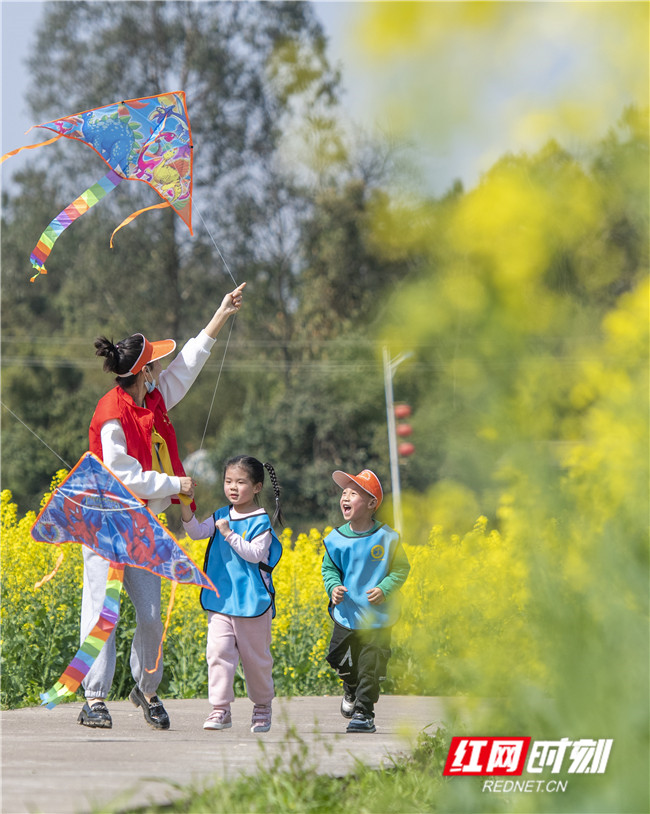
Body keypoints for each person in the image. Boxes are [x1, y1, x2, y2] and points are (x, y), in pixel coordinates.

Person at [78, 282, 246, 730]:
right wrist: (175, 482)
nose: (161, 369)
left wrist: (220, 314)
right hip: (106, 526)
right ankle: (93, 699)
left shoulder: (152, 398)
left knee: (151, 617)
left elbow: (188, 365)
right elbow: (121, 472)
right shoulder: (111, 413)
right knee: (103, 614)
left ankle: (146, 690)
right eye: (155, 363)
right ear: (142, 371)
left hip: (142, 527)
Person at [181, 455, 283, 733]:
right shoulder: (220, 514)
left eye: (241, 482)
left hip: (253, 603)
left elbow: (255, 554)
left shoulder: (260, 521)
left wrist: (227, 534)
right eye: (228, 481)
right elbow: (197, 533)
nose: (233, 487)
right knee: (217, 653)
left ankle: (262, 706)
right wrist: (186, 508)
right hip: (221, 601)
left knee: (256, 660)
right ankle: (220, 709)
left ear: (258, 487)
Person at [322, 469, 410, 733]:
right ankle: (350, 689)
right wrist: (333, 586)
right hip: (347, 614)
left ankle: (364, 713)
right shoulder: (335, 539)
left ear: (372, 503)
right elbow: (329, 569)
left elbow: (400, 569)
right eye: (344, 492)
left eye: (354, 493)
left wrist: (385, 588)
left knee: (369, 666)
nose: (345, 497)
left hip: (377, 617)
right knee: (340, 659)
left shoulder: (388, 537)